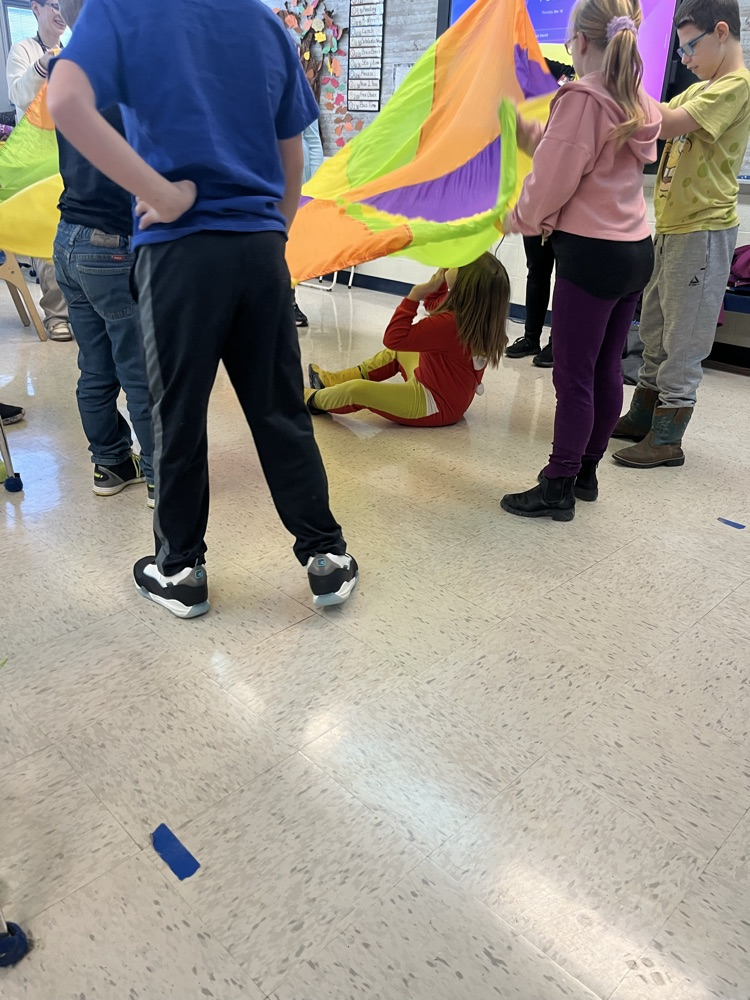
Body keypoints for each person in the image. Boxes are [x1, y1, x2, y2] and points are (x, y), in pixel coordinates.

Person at [47, 0, 358, 619]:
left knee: (177, 415)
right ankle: (326, 560)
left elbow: (63, 102)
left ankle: (181, 571)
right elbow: (290, 154)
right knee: (279, 411)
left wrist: (159, 191)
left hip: (179, 255)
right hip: (260, 249)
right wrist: (274, 234)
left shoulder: (125, 12)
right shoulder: (265, 21)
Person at [500, 0, 659, 521]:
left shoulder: (583, 98)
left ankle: (558, 483)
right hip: (634, 252)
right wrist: (540, 138)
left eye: (568, 42)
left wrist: (518, 216)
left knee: (572, 375)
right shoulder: (634, 98)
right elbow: (593, 160)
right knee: (605, 366)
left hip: (591, 256)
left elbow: (553, 181)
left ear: (583, 43)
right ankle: (587, 470)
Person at [612, 0, 750, 468]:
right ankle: (643, 415)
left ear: (721, 32)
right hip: (672, 226)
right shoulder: (700, 87)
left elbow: (665, 122)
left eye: (690, 46)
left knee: (684, 337)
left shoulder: (735, 86)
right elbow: (655, 118)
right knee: (653, 326)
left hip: (704, 230)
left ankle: (668, 438)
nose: (685, 58)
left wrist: (616, 82)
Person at [53, 0, 153, 506]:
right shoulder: (127, 75)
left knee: (95, 367)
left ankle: (110, 464)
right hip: (111, 244)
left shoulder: (65, 69)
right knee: (139, 371)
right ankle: (161, 478)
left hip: (68, 237)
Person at [305, 254, 510, 426]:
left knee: (357, 391)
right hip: (446, 395)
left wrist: (414, 295)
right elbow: (433, 304)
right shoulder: (477, 314)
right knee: (402, 352)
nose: (453, 260)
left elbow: (394, 338)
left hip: (432, 403)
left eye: (459, 262)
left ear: (466, 283)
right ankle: (330, 381)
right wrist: (438, 281)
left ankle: (309, 399)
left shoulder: (450, 324)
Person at [6, 0, 72, 342]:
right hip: (36, 158)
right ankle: (56, 315)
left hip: (73, 152)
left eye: (66, 5)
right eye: (54, 5)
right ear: (36, 8)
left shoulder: (77, 47)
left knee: (75, 231)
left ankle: (82, 310)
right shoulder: (22, 50)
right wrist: (42, 66)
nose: (60, 12)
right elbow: (18, 94)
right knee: (47, 237)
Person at [505, 59, 575, 368]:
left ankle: (557, 343)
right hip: (535, 204)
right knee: (537, 271)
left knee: (565, 279)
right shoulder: (529, 106)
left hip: (566, 210)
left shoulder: (570, 106)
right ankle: (531, 337)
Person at [292, 121, 325, 329]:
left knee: (292, 248)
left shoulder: (298, 92)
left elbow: (314, 143)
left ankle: (289, 302)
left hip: (298, 190)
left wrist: (316, 186)